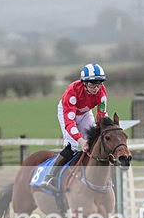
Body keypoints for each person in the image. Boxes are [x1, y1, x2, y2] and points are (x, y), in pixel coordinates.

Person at [38, 63, 108, 192]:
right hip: (68, 113)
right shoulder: (73, 90)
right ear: (84, 83)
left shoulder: (102, 92)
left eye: (99, 84)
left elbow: (101, 116)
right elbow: (70, 123)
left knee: (94, 141)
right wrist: (81, 140)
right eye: (92, 84)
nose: (96, 88)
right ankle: (50, 177)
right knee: (72, 145)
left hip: (85, 113)